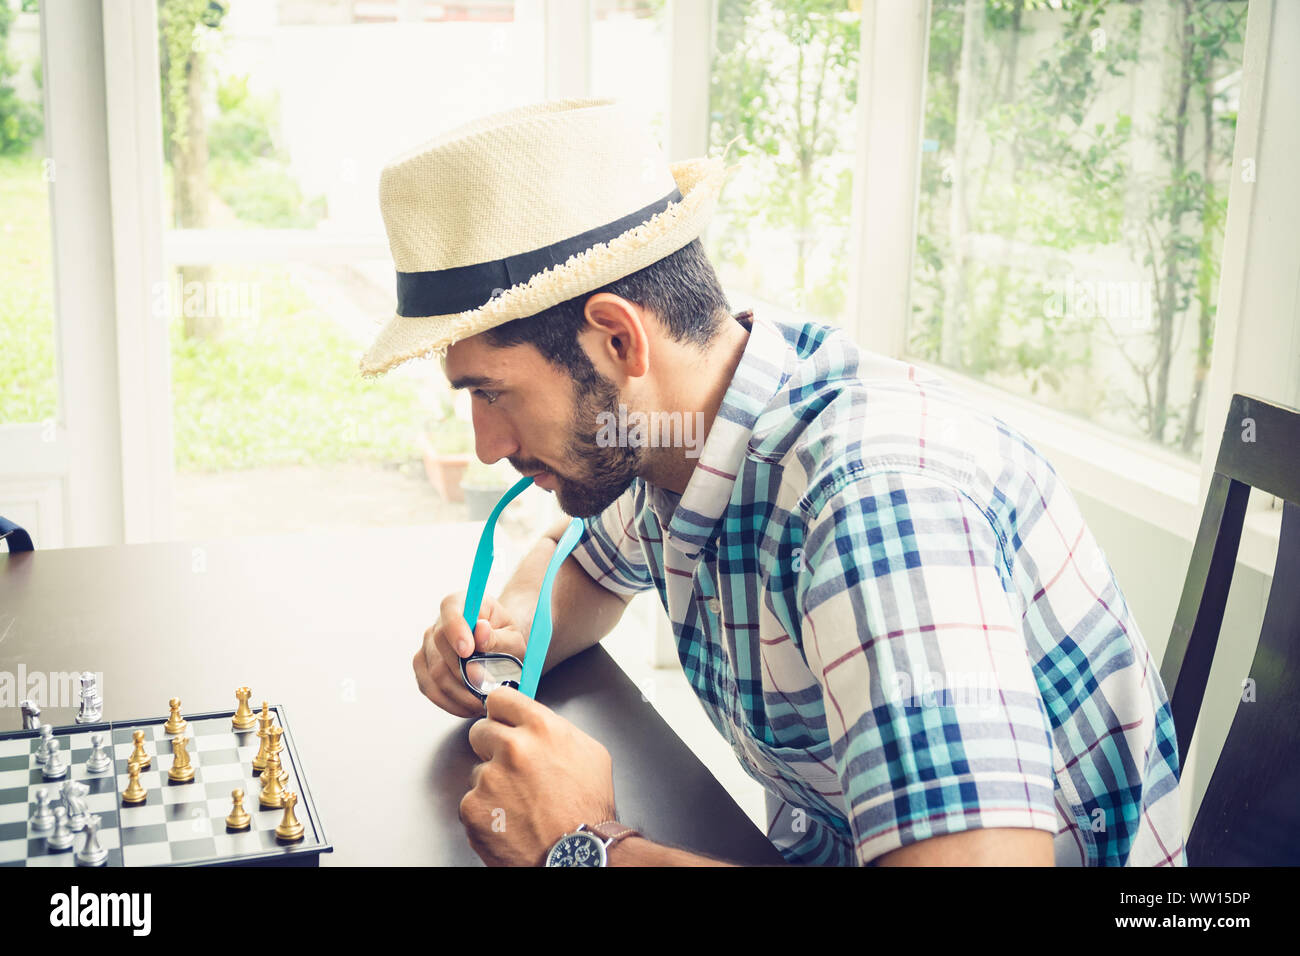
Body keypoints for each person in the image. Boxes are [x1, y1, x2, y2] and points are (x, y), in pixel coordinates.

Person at [368, 98, 1184, 867]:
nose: (484, 447)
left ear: (618, 340)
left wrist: (590, 845)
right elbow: (577, 558)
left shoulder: (875, 505)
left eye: (492, 393)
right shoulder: (679, 427)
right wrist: (505, 638)